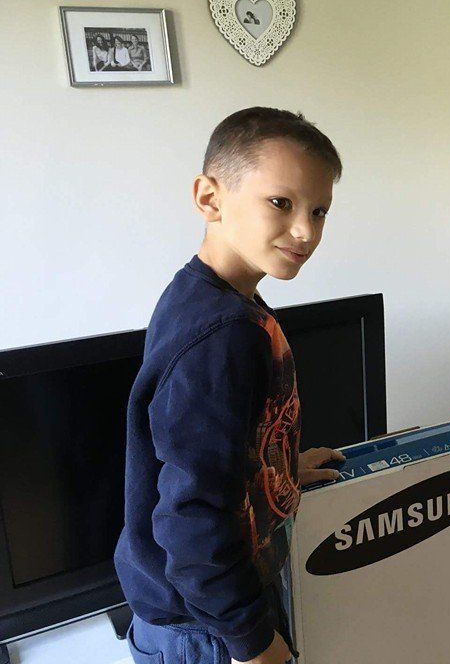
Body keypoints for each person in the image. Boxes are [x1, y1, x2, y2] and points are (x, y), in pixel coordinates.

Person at [113, 107, 346, 664]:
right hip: (207, 632)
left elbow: (216, 452)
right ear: (210, 198)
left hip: (201, 618)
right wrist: (252, 641)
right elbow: (191, 514)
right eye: (281, 202)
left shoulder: (210, 297)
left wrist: (275, 471)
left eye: (319, 211)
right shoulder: (223, 334)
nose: (306, 231)